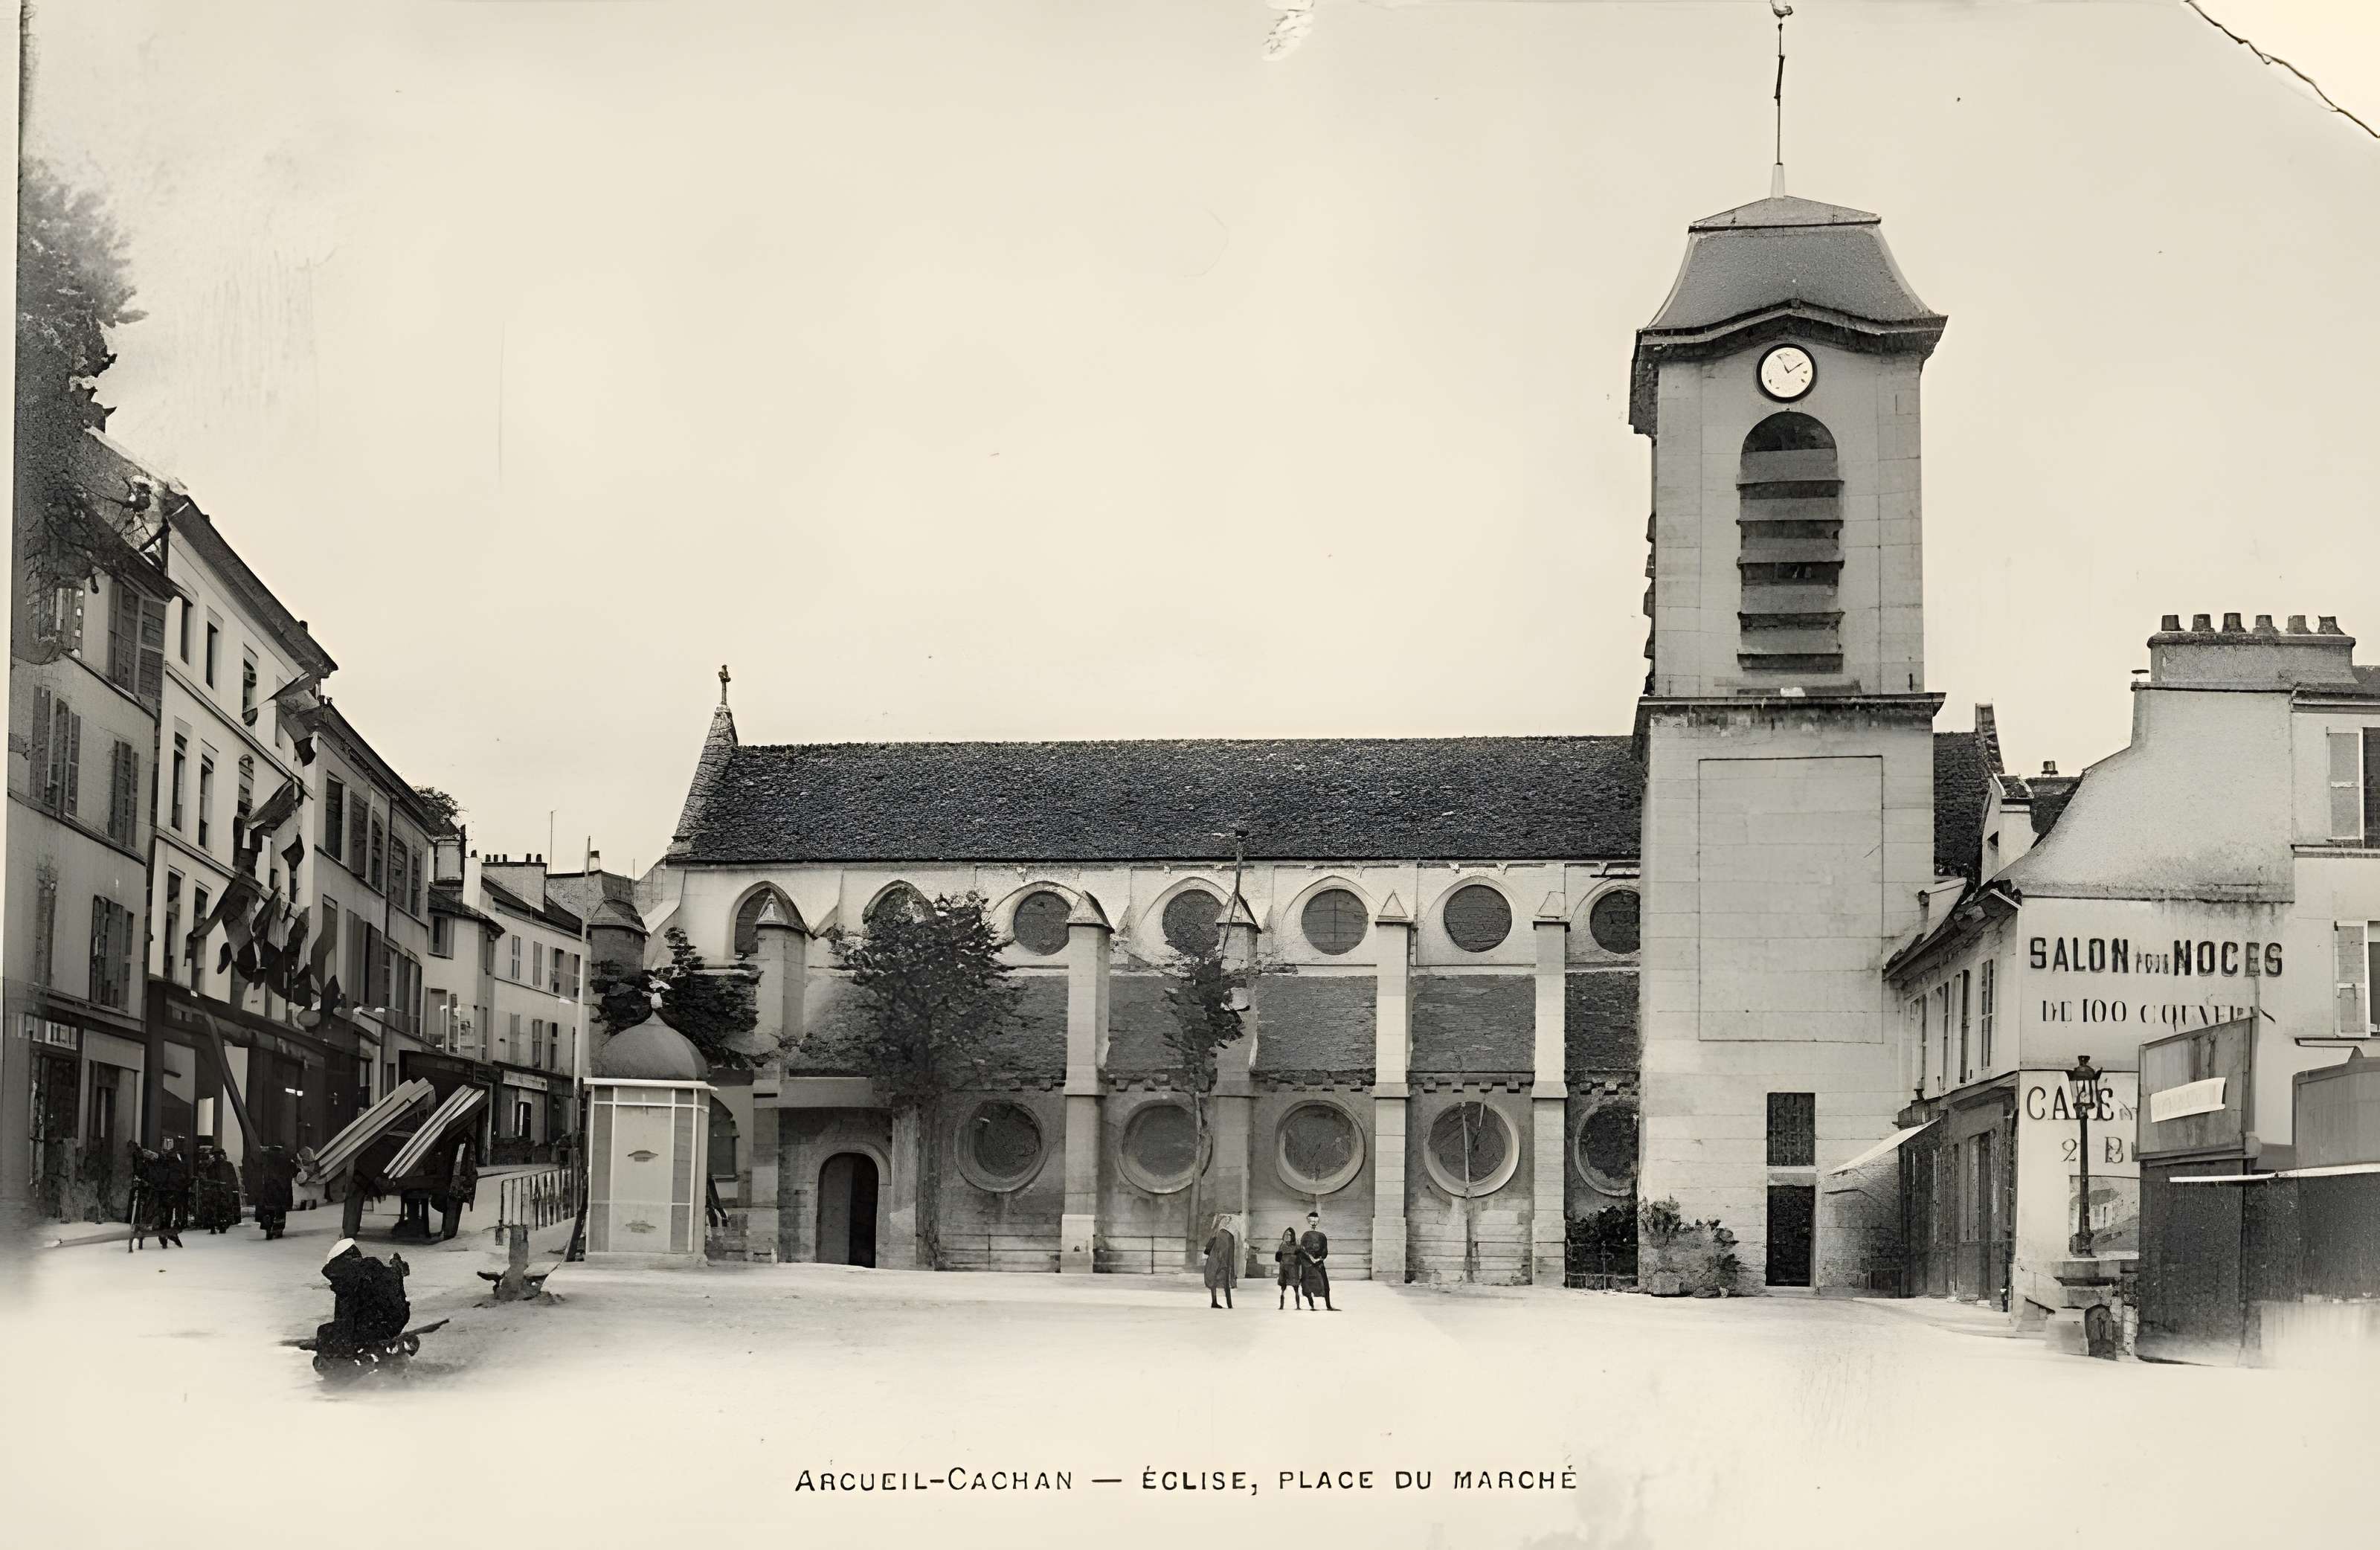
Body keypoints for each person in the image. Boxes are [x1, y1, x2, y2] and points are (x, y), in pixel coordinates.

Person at [316, 1238, 411, 1358]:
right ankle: (381, 1344)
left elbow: (345, 1316)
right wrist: (396, 1263)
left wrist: (344, 1341)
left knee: (324, 1332)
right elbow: (395, 1283)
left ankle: (356, 1356)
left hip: (369, 1328)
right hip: (396, 1322)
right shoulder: (375, 1267)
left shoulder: (346, 1277)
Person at [437, 1137, 477, 1242]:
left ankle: (449, 1232)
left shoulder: (466, 1145)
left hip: (460, 1179)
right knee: (450, 1204)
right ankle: (448, 1230)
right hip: (454, 1178)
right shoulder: (458, 1144)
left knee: (454, 1204)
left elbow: (468, 1165)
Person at [1298, 1210, 1336, 1312]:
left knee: (1325, 1285)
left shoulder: (1322, 1236)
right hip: (1308, 1264)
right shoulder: (1306, 1235)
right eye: (1312, 1220)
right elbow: (1302, 1249)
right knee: (1307, 1286)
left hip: (1319, 1264)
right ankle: (1312, 1306)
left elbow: (1325, 1250)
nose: (1314, 1222)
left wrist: (1320, 1259)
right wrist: (1311, 1258)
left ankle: (1328, 1306)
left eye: (1315, 1220)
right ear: (1308, 1221)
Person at [1203, 1215, 1238, 1310]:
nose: (1227, 1222)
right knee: (1223, 1282)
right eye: (1226, 1221)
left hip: (1217, 1261)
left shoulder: (1219, 1234)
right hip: (1221, 1261)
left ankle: (1217, 1302)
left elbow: (1207, 1250)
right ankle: (1226, 1304)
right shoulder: (1227, 1235)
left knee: (1216, 1282)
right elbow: (1230, 1252)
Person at [1273, 1227, 1302, 1311]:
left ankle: (1298, 1306)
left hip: (1293, 1270)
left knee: (1296, 1289)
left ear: (1292, 1236)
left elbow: (1300, 1259)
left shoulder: (1297, 1246)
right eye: (1286, 1235)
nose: (1287, 1236)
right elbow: (1278, 1258)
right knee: (1283, 1289)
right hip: (1284, 1269)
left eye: (1289, 1235)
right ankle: (1281, 1306)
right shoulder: (1282, 1246)